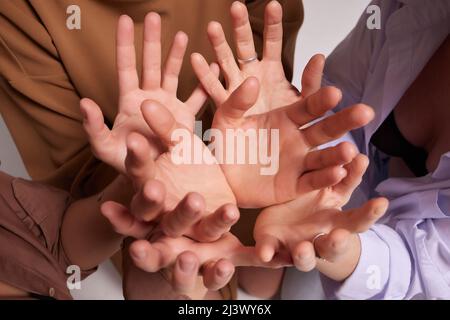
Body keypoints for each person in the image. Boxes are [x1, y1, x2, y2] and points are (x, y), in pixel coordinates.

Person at [0, 0, 303, 299]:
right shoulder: (22, 14)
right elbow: (67, 218)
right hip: (134, 184)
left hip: (245, 147)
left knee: (268, 269)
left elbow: (266, 51)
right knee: (186, 276)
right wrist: (143, 171)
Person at [280, 0, 450, 299]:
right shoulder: (405, 7)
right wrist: (301, 150)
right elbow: (337, 103)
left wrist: (343, 250)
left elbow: (426, 273)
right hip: (312, 247)